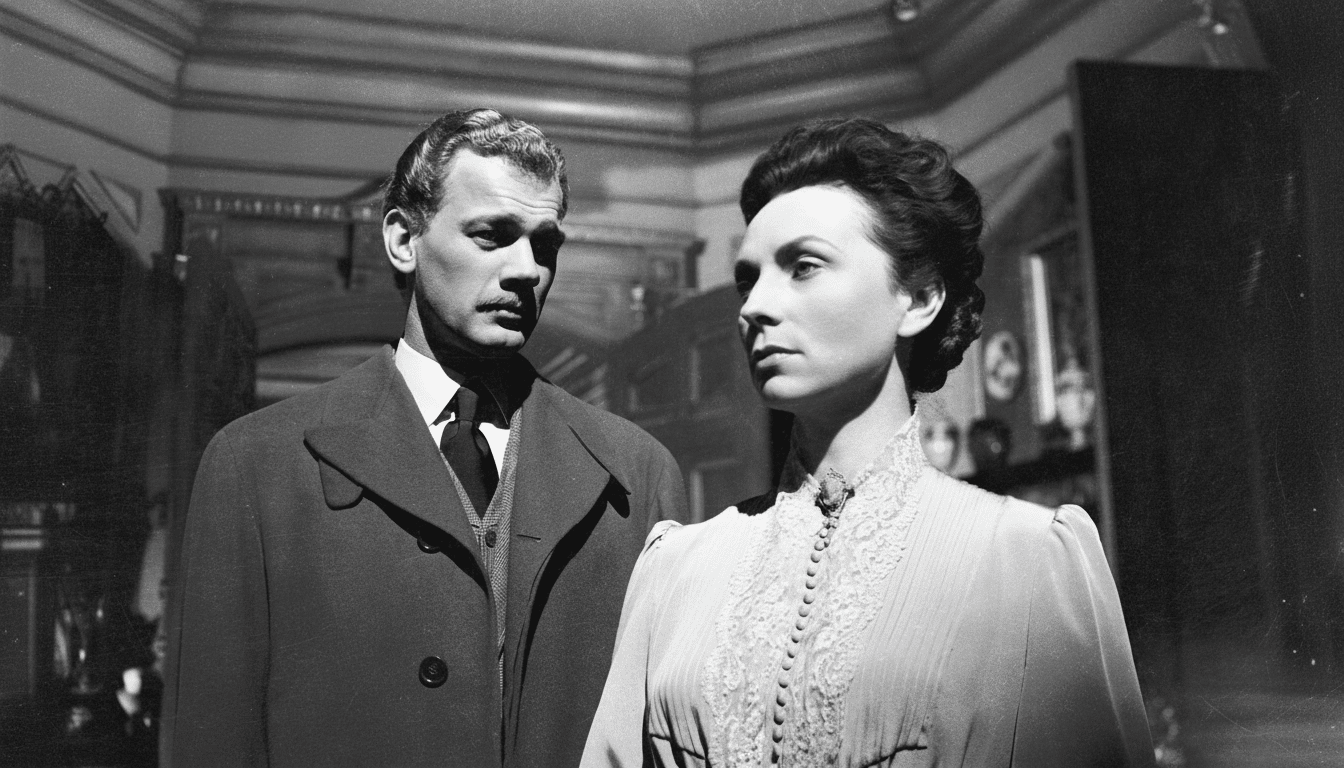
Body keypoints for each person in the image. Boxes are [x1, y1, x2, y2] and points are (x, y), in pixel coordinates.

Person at [582, 118, 1153, 767]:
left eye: (803, 266)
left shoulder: (1028, 560)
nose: (755, 307)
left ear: (918, 298)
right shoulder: (675, 570)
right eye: (749, 280)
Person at [161, 109, 688, 768]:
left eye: (545, 244)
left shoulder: (637, 475)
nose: (527, 269)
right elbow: (212, 745)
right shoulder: (256, 466)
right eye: (492, 235)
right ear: (404, 241)